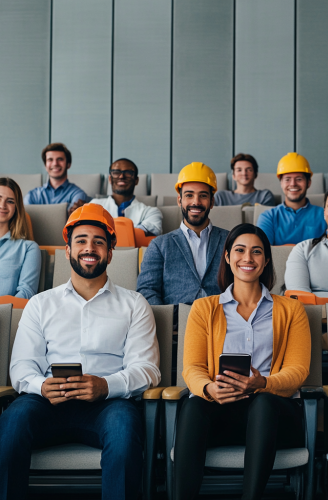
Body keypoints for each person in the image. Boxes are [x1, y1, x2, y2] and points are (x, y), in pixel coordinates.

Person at [0, 203, 160, 499]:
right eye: (81, 241)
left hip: (109, 404)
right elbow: (22, 367)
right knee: (11, 425)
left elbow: (147, 369)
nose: (90, 248)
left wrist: (104, 386)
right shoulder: (40, 304)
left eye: (99, 242)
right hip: (46, 402)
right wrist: (41, 385)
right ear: (68, 250)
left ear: (111, 252)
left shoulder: (134, 304)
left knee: (125, 435)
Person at [174, 223, 311, 500]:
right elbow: (192, 368)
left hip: (273, 416)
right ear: (227, 256)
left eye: (256, 252)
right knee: (194, 404)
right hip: (220, 410)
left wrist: (262, 383)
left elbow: (298, 371)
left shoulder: (291, 309)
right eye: (239, 250)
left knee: (262, 402)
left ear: (266, 260)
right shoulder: (204, 308)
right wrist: (209, 389)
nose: (247, 258)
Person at [137, 162, 229, 317]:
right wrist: (169, 322)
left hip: (222, 323)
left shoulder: (230, 240)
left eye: (203, 196)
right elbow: (147, 290)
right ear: (179, 200)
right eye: (189, 195)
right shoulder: (160, 245)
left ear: (212, 202)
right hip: (177, 326)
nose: (196, 202)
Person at [256, 152, 327, 245]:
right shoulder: (268, 217)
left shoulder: (325, 215)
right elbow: (263, 251)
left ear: (309, 182)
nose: (293, 184)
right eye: (287, 179)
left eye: (299, 179)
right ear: (281, 183)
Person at [90, 158, 162, 236]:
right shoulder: (95, 205)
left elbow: (151, 237)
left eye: (128, 173)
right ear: (110, 179)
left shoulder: (151, 212)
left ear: (136, 180)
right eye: (116, 172)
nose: (121, 176)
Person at [0, 178, 41, 299]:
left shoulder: (29, 248)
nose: (2, 205)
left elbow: (26, 293)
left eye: (10, 201)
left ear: (16, 208)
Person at [24, 143, 87, 215]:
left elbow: (74, 219)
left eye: (60, 159)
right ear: (45, 165)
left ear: (68, 164)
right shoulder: (32, 195)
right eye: (50, 160)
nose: (55, 163)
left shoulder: (78, 194)